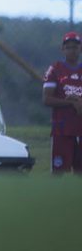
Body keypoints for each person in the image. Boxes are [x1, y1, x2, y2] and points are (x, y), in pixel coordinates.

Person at [42, 31, 82, 174]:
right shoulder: (55, 69)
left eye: (75, 47)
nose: (72, 50)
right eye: (69, 47)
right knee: (59, 173)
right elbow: (46, 99)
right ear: (63, 49)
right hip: (62, 131)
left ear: (80, 48)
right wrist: (70, 102)